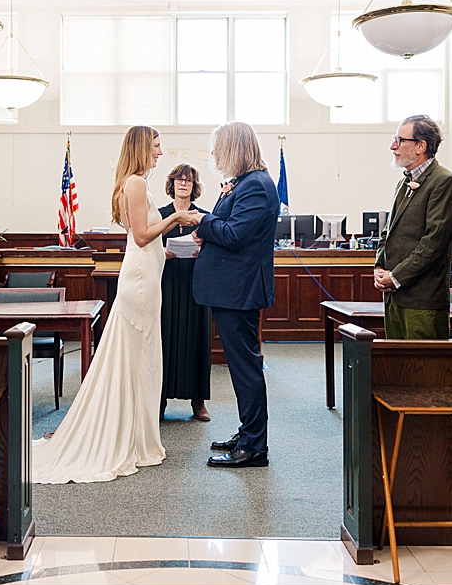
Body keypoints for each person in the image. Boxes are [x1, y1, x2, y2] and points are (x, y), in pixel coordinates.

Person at [32, 125, 188, 485]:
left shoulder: (138, 183)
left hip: (147, 275)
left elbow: (144, 240)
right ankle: (130, 436)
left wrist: (160, 247)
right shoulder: (135, 183)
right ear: (141, 148)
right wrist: (177, 218)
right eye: (156, 146)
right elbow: (141, 234)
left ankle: (137, 433)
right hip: (140, 283)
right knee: (137, 357)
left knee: (142, 358)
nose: (160, 152)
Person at [189, 121, 277, 470]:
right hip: (230, 288)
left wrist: (202, 222)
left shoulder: (255, 185)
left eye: (219, 148)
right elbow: (228, 228)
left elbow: (237, 233)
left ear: (237, 149)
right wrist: (209, 228)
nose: (215, 155)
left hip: (239, 290)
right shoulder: (244, 183)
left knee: (245, 369)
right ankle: (248, 432)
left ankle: (255, 446)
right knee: (243, 367)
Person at [373, 115, 452, 339]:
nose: (393, 146)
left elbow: (433, 243)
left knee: (424, 371)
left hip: (422, 300)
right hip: (394, 295)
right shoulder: (403, 182)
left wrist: (396, 276)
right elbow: (388, 231)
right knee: (398, 369)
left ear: (420, 146)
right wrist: (380, 266)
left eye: (400, 140)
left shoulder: (443, 182)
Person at [158, 163, 213, 422]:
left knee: (196, 338)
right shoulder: (159, 215)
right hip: (167, 282)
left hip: (196, 283)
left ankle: (198, 402)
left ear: (194, 186)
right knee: (164, 339)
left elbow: (216, 247)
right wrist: (161, 253)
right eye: (179, 180)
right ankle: (159, 400)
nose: (183, 184)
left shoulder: (203, 216)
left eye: (188, 181)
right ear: (172, 185)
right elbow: (146, 245)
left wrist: (204, 250)